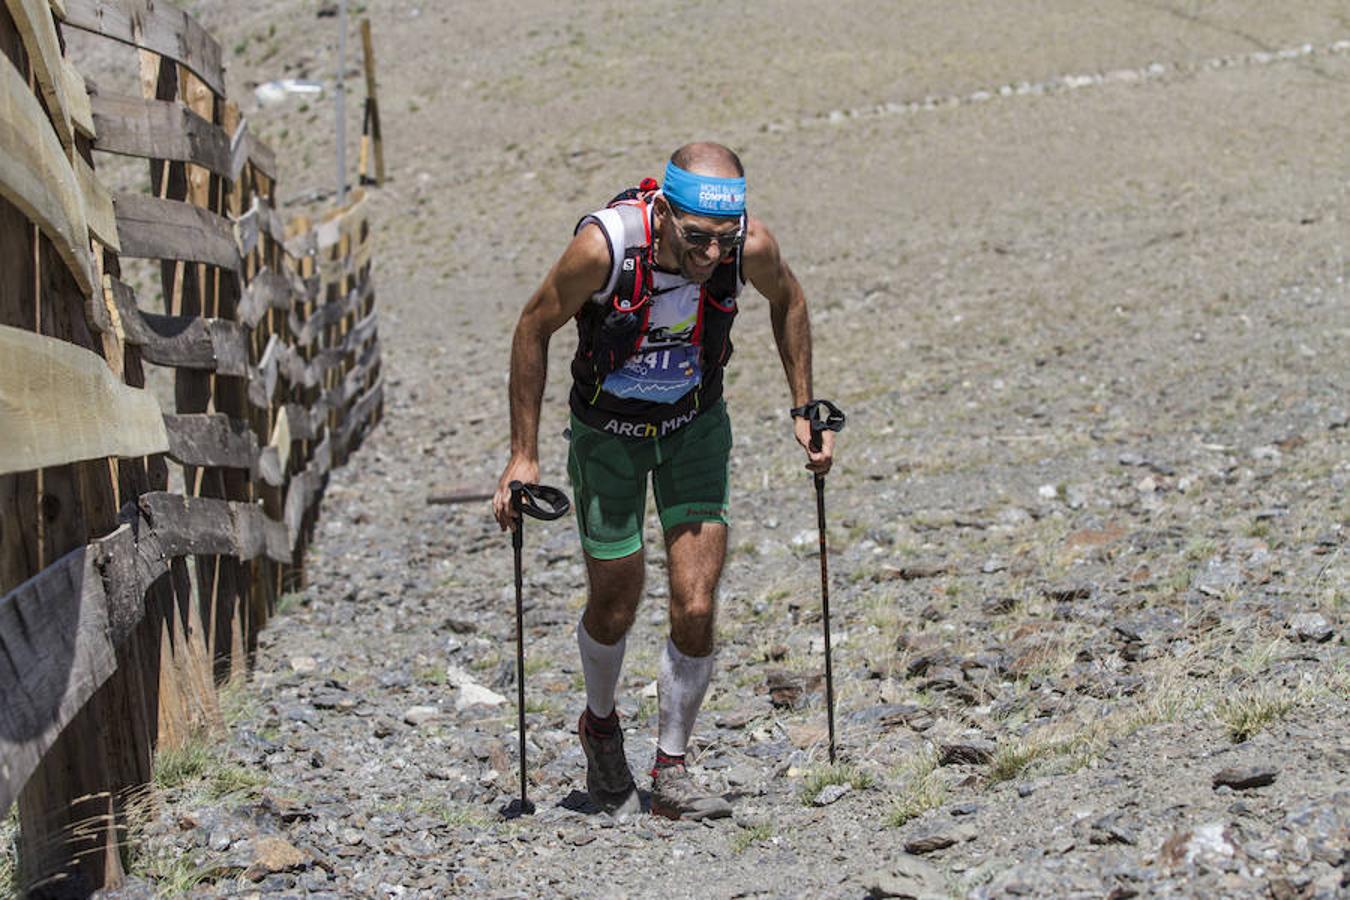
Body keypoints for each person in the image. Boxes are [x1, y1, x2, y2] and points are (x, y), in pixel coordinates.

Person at [492, 142, 835, 820]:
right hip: (607, 436)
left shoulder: (748, 247)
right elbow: (533, 328)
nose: (712, 255)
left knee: (697, 602)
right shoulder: (604, 247)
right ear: (664, 210)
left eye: (725, 239)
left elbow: (789, 297)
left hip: (693, 428)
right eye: (698, 238)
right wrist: (522, 453)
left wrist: (803, 406)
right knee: (616, 602)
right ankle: (599, 725)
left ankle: (671, 766)